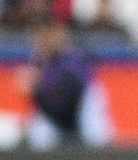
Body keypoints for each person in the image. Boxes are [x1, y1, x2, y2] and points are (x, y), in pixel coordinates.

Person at [18, 20, 111, 149]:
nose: (42, 41)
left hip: (82, 114)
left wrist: (35, 90)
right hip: (60, 119)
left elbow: (63, 108)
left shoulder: (73, 62)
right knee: (36, 131)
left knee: (95, 138)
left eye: (47, 35)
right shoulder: (39, 62)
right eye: (38, 37)